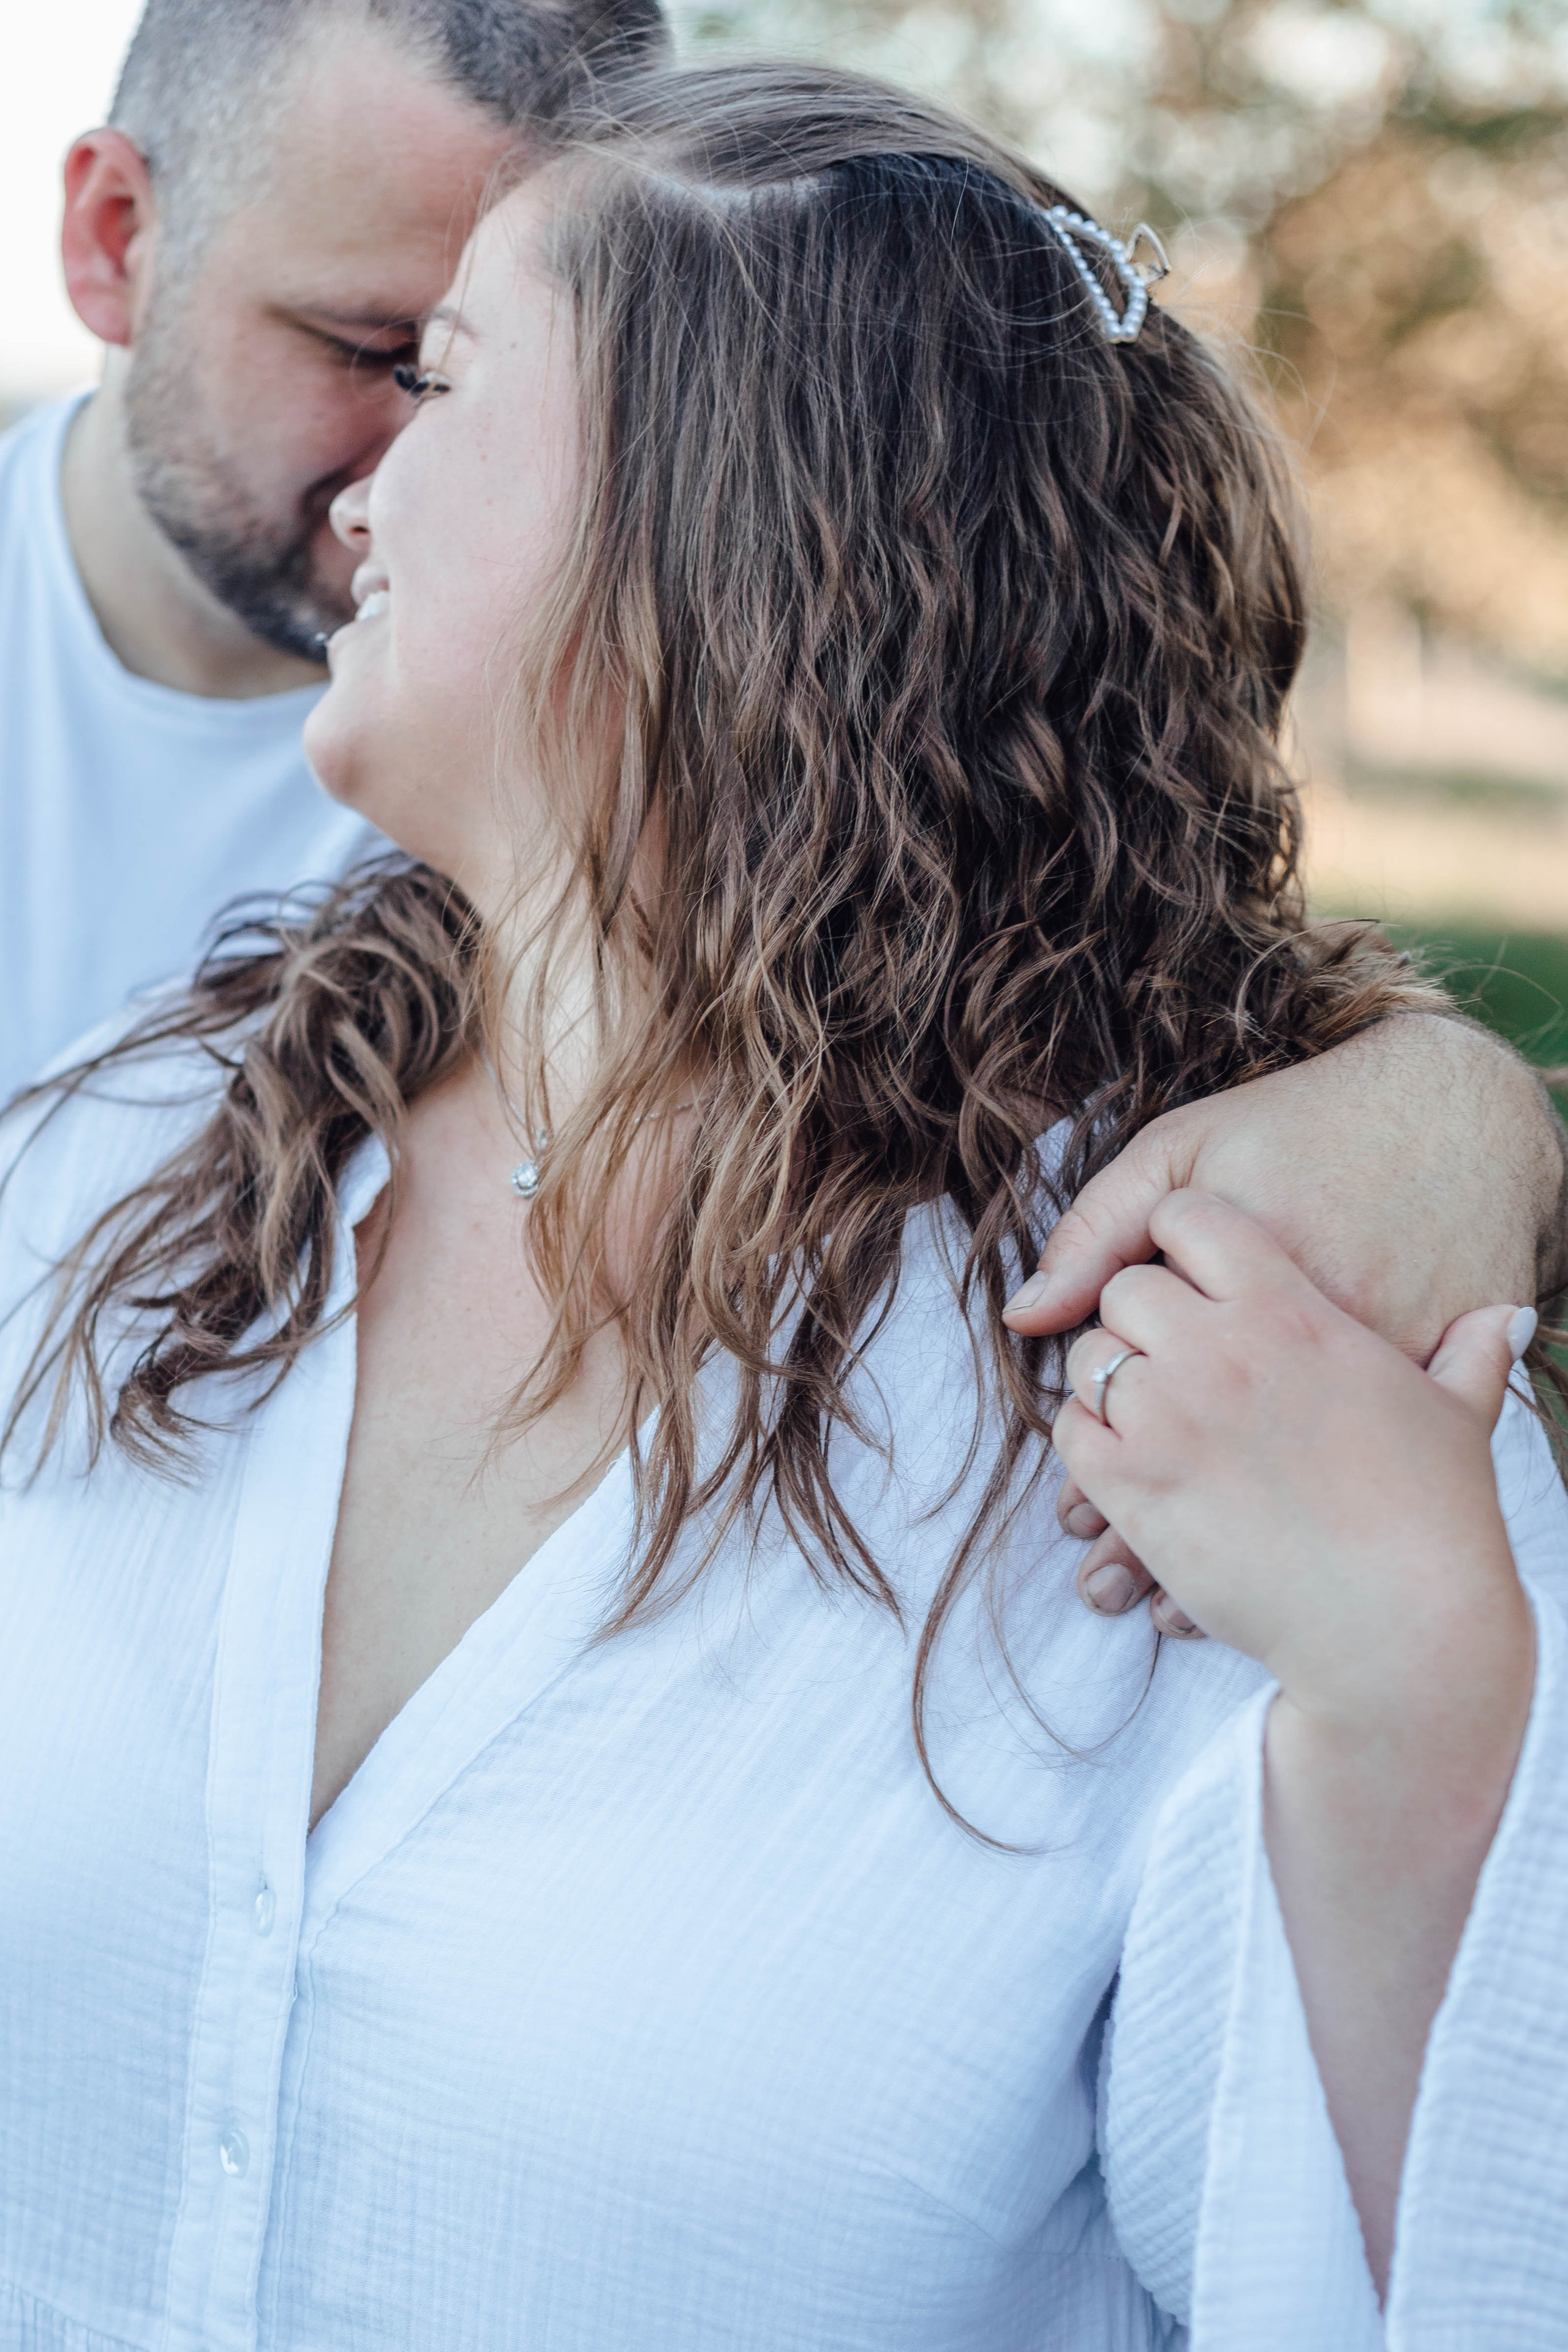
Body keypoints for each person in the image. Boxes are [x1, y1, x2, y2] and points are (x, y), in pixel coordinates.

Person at [1, 62, 1566, 2350]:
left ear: (715, 537)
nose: (366, 490)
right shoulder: (112, 1174)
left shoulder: (1234, 1396)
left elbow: (1425, 2278)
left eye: (448, 381)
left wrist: (1428, 1702)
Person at [0, 0, 666, 1102]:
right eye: (377, 354)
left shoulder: (688, 743)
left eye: (553, 385)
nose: (420, 479)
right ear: (115, 240)